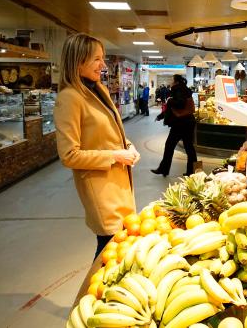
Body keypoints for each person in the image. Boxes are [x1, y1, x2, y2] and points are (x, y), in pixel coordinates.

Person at [54, 33, 140, 259]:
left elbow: (110, 130)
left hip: (119, 182)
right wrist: (115, 155)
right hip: (100, 187)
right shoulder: (69, 98)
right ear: (78, 61)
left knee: (120, 246)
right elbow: (69, 155)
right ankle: (92, 294)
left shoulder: (98, 89)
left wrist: (129, 147)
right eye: (97, 59)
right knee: (109, 249)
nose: (103, 65)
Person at [151, 74, 197, 177]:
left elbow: (180, 104)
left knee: (170, 146)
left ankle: (164, 169)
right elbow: (172, 109)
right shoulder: (183, 89)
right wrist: (161, 116)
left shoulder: (178, 90)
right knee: (189, 148)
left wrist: (170, 101)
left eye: (172, 80)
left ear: (176, 82)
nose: (171, 82)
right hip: (187, 122)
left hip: (181, 124)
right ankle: (193, 171)